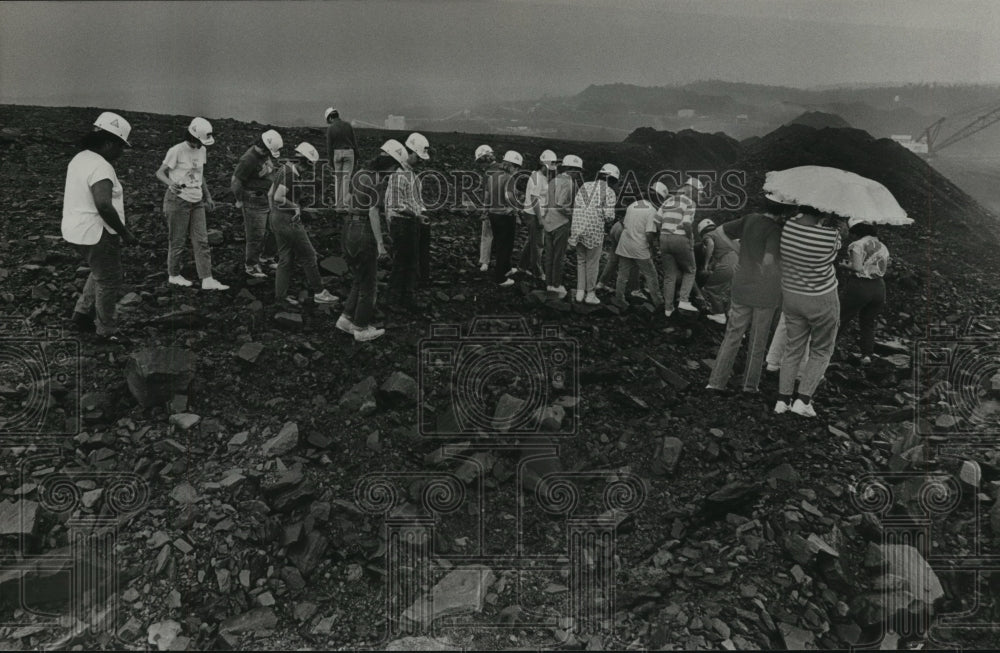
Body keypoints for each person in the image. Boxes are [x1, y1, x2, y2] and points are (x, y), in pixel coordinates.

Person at [64, 112, 139, 343]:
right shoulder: (101, 167)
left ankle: (81, 314)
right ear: (108, 143)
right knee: (109, 278)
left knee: (99, 271)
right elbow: (104, 205)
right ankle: (106, 331)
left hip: (76, 230)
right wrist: (125, 233)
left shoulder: (80, 158)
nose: (121, 152)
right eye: (120, 147)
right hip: (98, 232)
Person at [705, 205, 791, 394]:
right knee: (758, 341)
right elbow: (768, 261)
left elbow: (720, 231)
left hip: (742, 284)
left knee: (732, 335)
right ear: (783, 212)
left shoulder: (750, 217)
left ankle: (716, 382)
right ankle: (750, 386)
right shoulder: (775, 230)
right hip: (765, 291)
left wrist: (741, 252)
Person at [774, 207, 844, 418]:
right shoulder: (830, 235)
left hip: (792, 295)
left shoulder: (788, 227)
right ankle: (803, 400)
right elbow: (835, 252)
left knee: (793, 347)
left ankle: (782, 400)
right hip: (821, 298)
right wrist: (838, 227)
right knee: (822, 349)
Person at [154, 117, 228, 291]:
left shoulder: (202, 150)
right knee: (177, 241)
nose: (201, 145)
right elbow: (160, 172)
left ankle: (207, 278)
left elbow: (200, 174)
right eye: (198, 141)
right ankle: (173, 275)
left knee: (202, 241)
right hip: (178, 201)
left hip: (197, 200)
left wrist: (208, 196)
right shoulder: (177, 150)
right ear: (192, 136)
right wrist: (169, 183)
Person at [338, 143, 400, 342]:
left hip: (349, 226)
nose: (393, 173)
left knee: (359, 276)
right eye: (394, 168)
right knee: (369, 285)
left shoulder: (360, 174)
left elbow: (347, 199)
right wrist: (380, 244)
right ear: (388, 166)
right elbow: (373, 211)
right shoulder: (378, 180)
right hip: (364, 229)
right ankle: (361, 327)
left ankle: (346, 319)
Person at [268, 142, 339, 307]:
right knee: (309, 255)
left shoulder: (283, 169)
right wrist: (295, 207)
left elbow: (270, 193)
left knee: (285, 258)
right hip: (289, 221)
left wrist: (274, 214)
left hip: (277, 218)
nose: (308, 170)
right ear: (304, 162)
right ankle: (320, 292)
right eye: (308, 166)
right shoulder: (290, 175)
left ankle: (280, 297)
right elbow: (278, 197)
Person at [385, 132, 431, 310]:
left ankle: (405, 298)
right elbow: (396, 205)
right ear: (409, 152)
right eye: (418, 157)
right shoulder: (398, 176)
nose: (420, 161)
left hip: (411, 222)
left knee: (411, 262)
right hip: (402, 223)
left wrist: (421, 215)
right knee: (402, 263)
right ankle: (394, 299)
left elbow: (416, 201)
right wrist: (417, 215)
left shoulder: (412, 176)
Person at [232, 129, 283, 278]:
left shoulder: (264, 155)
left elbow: (269, 172)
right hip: (254, 201)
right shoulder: (248, 159)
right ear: (265, 148)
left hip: (268, 199)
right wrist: (240, 200)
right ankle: (251, 265)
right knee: (256, 235)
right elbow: (236, 182)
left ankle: (267, 257)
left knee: (275, 229)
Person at [837, 223, 889, 364]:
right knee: (868, 322)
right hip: (879, 287)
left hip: (860, 286)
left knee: (840, 317)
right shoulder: (883, 247)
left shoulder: (857, 244)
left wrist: (844, 265)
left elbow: (858, 268)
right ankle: (867, 355)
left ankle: (826, 349)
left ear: (856, 233)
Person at [569, 163, 619, 304]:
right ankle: (590, 294)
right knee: (592, 263)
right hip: (594, 231)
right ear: (612, 179)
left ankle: (579, 292)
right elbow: (609, 216)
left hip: (578, 228)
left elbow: (576, 205)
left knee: (581, 261)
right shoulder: (609, 192)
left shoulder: (585, 186)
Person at [613, 183, 666, 307]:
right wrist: (652, 247)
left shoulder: (632, 205)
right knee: (651, 275)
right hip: (640, 247)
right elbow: (649, 233)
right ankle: (658, 302)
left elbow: (625, 224)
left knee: (622, 274)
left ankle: (619, 299)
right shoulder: (652, 211)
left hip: (625, 245)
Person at [659, 177, 705, 316]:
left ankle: (668, 309)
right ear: (694, 190)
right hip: (679, 238)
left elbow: (656, 221)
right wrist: (690, 238)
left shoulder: (667, 201)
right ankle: (683, 300)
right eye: (699, 193)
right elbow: (686, 223)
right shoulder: (690, 202)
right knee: (691, 270)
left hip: (663, 237)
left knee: (669, 275)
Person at [542, 154, 583, 299]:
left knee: (549, 255)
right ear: (573, 170)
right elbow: (560, 205)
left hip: (548, 222)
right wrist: (573, 215)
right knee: (559, 257)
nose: (579, 174)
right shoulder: (568, 182)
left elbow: (546, 202)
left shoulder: (554, 180)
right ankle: (556, 285)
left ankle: (549, 283)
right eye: (578, 171)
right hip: (561, 224)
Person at [514, 150, 556, 280]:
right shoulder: (537, 178)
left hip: (535, 213)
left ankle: (522, 266)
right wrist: (540, 219)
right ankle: (538, 272)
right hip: (534, 214)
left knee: (532, 240)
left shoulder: (541, 177)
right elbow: (534, 200)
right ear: (542, 165)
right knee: (538, 244)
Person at [485, 150, 523, 287]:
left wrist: (486, 211)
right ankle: (500, 278)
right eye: (517, 167)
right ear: (512, 166)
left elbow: (488, 196)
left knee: (500, 244)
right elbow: (510, 197)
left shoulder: (492, 176)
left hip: (493, 214)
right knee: (505, 247)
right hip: (505, 216)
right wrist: (516, 208)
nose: (517, 170)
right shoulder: (509, 178)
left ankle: (506, 269)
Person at [698, 219, 739, 324]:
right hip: (739, 263)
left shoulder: (708, 235)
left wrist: (706, 265)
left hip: (728, 264)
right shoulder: (723, 234)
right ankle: (730, 312)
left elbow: (710, 245)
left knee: (711, 287)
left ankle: (719, 314)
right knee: (731, 289)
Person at [324, 108, 358, 211]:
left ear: (330, 117)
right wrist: (357, 157)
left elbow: (329, 147)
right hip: (349, 153)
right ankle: (343, 205)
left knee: (338, 179)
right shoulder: (348, 125)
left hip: (336, 154)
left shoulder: (330, 129)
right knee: (345, 179)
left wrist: (330, 161)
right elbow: (354, 142)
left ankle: (337, 205)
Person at [474, 144, 496, 272]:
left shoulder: (488, 173)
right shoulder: (503, 168)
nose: (480, 166)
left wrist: (485, 211)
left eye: (480, 162)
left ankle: (484, 261)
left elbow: (488, 193)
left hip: (491, 208)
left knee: (486, 235)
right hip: (502, 209)